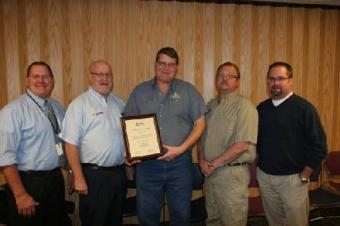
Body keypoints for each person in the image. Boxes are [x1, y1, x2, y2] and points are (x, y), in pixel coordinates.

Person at [123, 47, 207, 226]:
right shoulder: (140, 91)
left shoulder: (188, 91)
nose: (166, 68)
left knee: (181, 214)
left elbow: (200, 124)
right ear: (155, 64)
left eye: (171, 64)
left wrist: (181, 150)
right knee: (147, 215)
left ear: (177, 67)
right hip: (148, 166)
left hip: (180, 164)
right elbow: (128, 123)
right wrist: (131, 150)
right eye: (162, 63)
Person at [257, 62, 328, 226]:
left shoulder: (304, 109)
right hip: (266, 177)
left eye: (280, 78)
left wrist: (305, 174)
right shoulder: (262, 108)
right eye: (271, 79)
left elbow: (319, 145)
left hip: (293, 180)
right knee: (274, 222)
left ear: (290, 80)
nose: (275, 83)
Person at [0, 61, 68, 226]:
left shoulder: (56, 107)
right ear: (27, 80)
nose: (41, 80)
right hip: (28, 183)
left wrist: (71, 170)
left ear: (52, 80)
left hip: (54, 180)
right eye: (36, 76)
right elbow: (5, 156)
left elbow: (62, 141)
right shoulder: (13, 111)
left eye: (45, 76)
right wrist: (20, 194)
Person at [60, 60, 127, 226]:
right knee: (95, 221)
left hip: (118, 175)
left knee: (115, 219)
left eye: (108, 74)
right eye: (99, 74)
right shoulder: (79, 105)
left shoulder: (119, 103)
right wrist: (78, 177)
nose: (104, 78)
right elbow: (70, 144)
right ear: (90, 77)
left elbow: (127, 137)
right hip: (93, 177)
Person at [199, 62, 258, 226]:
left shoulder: (245, 106)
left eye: (230, 76)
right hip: (210, 175)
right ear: (216, 80)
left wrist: (213, 165)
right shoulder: (209, 106)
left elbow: (242, 145)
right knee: (213, 220)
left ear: (237, 81)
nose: (224, 79)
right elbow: (201, 137)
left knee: (233, 222)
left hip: (232, 176)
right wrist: (202, 160)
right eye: (220, 75)